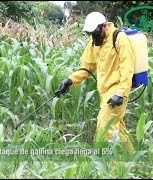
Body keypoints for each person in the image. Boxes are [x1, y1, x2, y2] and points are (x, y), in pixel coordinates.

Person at [54, 12, 136, 153]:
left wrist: (121, 93)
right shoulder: (94, 42)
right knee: (118, 129)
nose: (94, 37)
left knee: (105, 127)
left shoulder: (119, 38)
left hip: (117, 91)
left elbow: (128, 68)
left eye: (96, 33)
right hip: (104, 92)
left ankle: (113, 169)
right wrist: (70, 80)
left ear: (104, 26)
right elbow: (87, 67)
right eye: (91, 34)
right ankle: (133, 161)